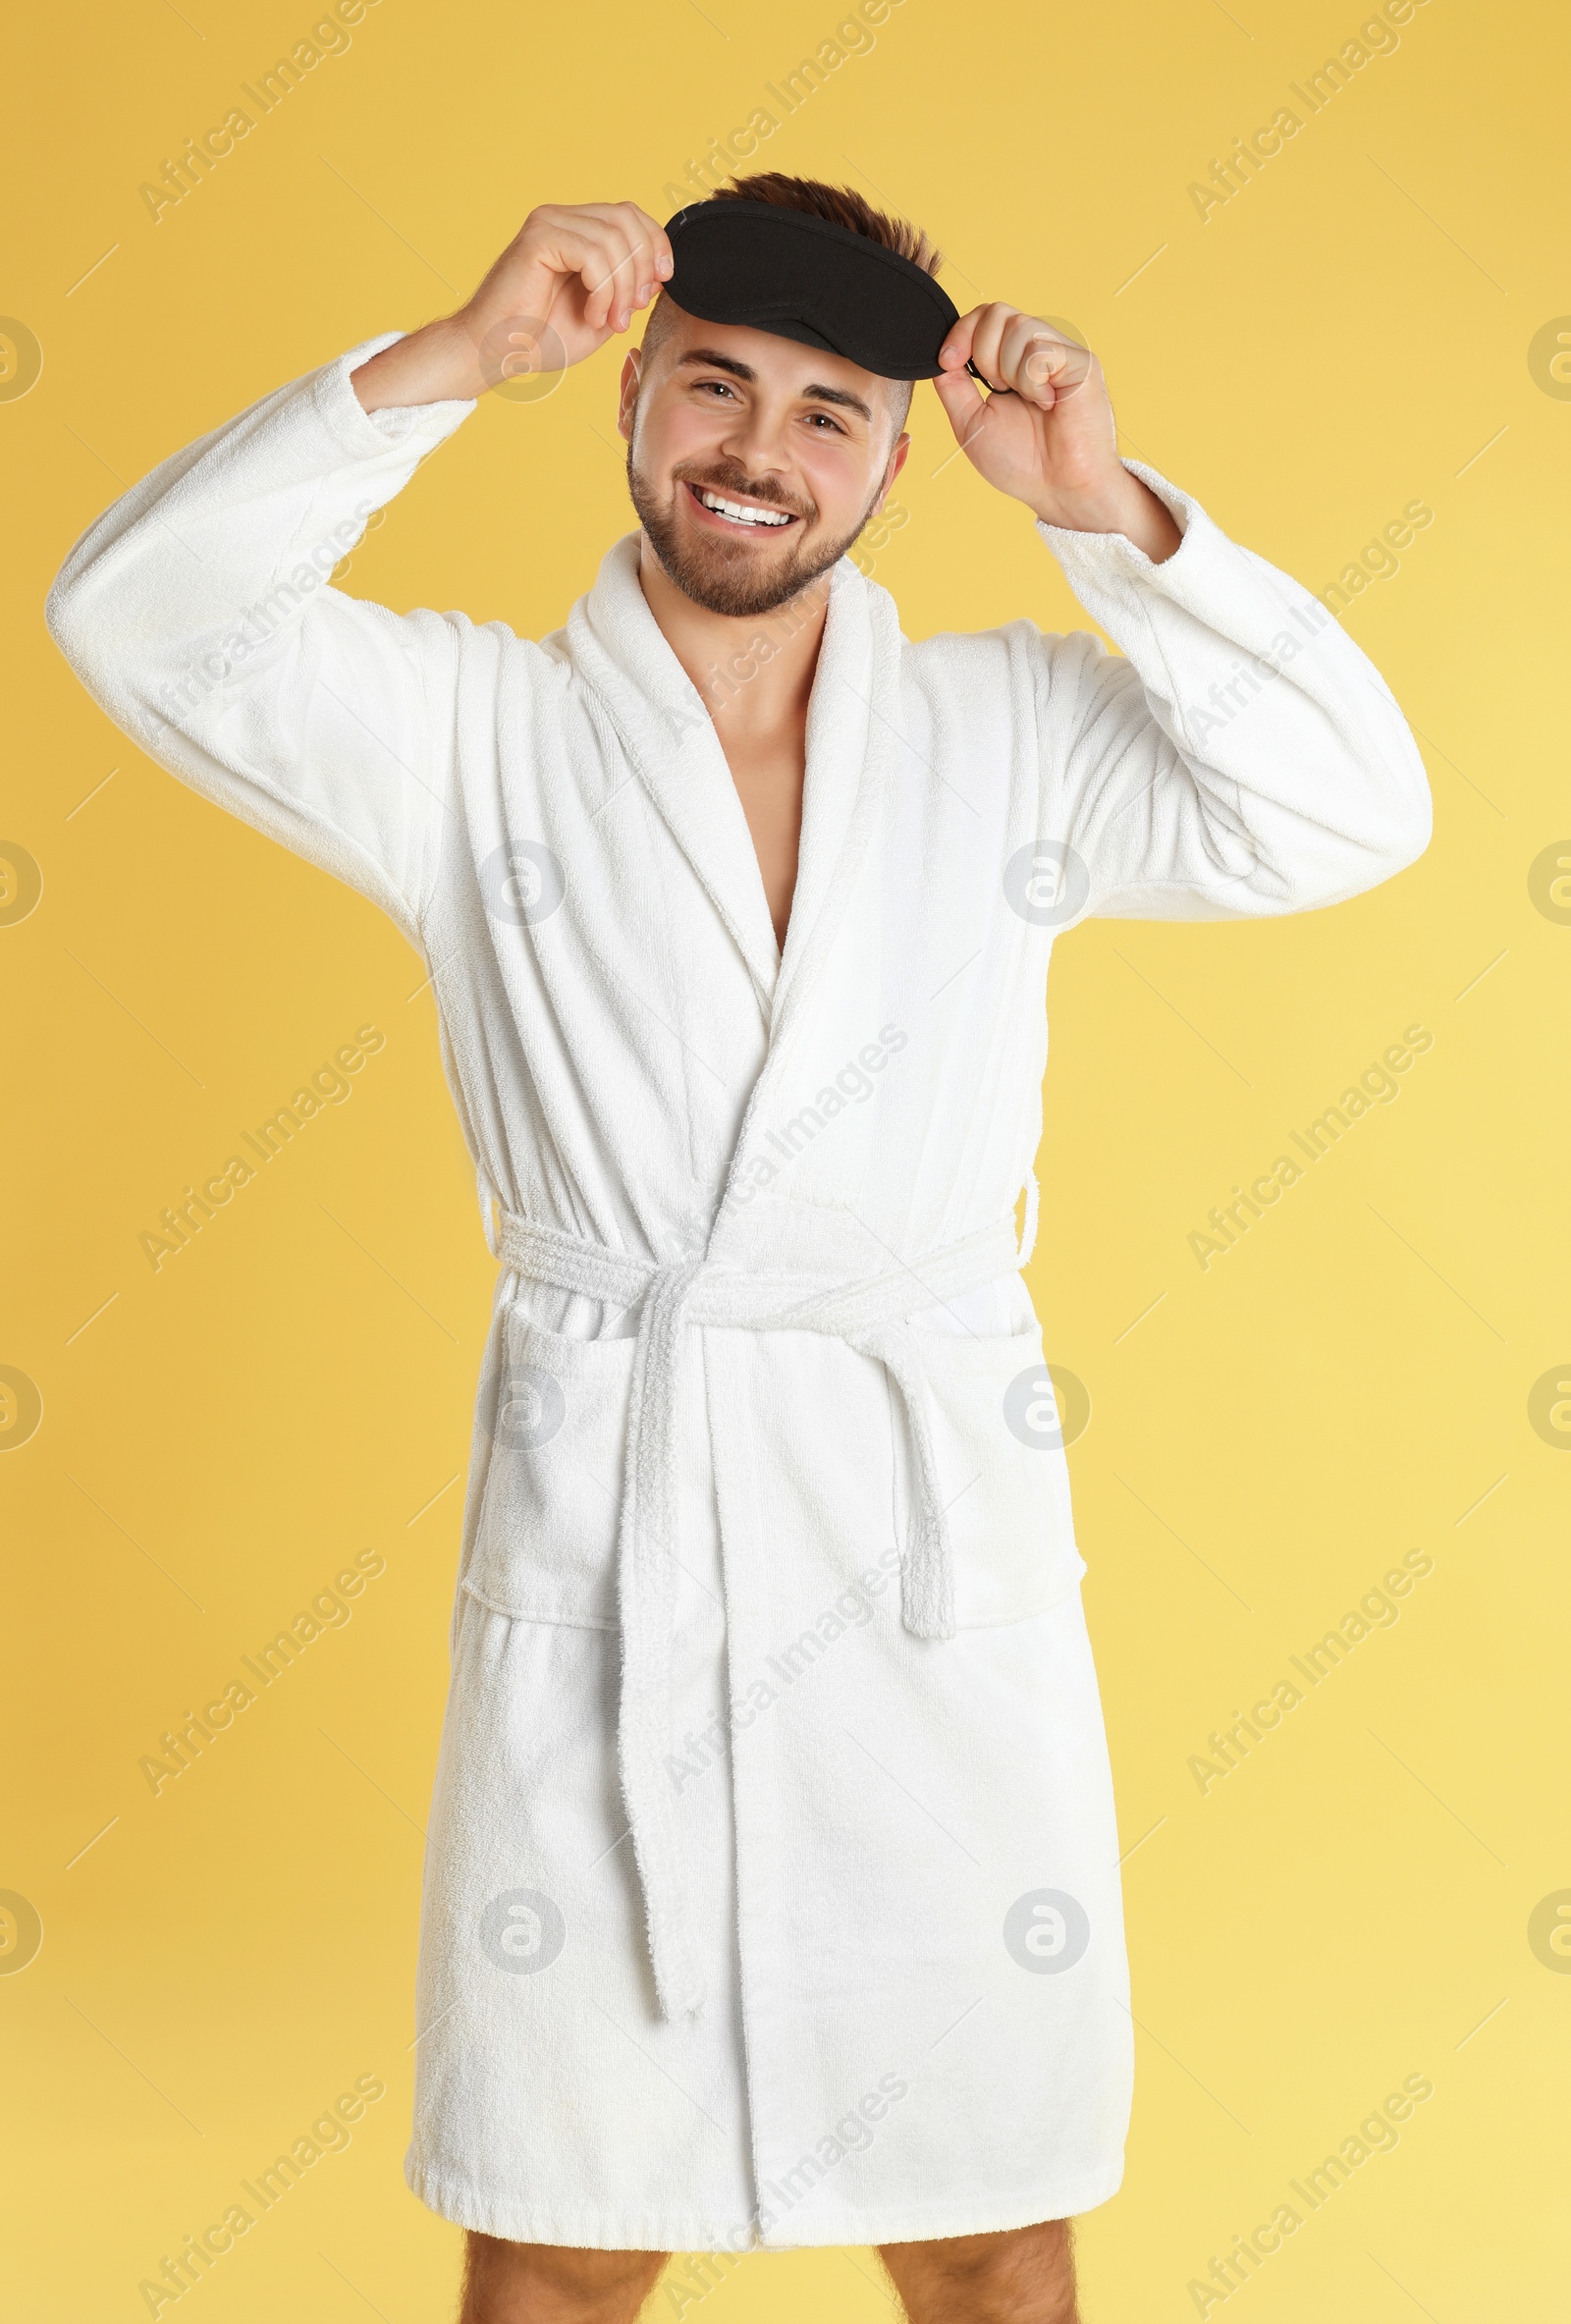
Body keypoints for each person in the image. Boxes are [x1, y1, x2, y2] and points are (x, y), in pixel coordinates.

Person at [47, 174, 1432, 2324]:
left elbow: (1351, 807)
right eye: (712, 387)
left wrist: (1100, 513)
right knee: (564, 2231)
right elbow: (136, 616)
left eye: (821, 415)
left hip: (919, 1570)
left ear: (892, 455)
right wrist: (445, 359)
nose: (752, 456)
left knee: (985, 2223)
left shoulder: (1009, 738)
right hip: (617, 1550)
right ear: (628, 392)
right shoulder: (464, 735)